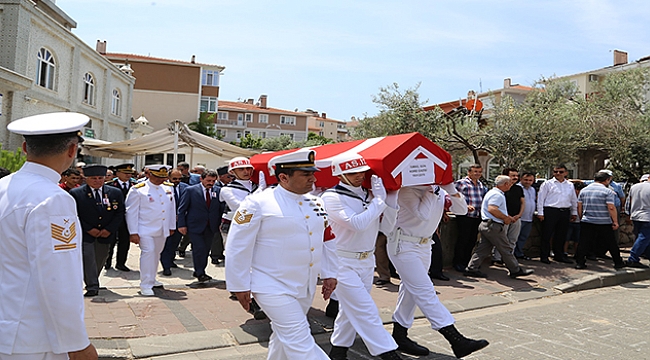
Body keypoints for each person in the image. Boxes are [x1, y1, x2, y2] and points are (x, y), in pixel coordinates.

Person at [0, 112, 97, 359]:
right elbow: (57, 278)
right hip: (33, 339)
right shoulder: (52, 198)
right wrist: (77, 343)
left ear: (24, 148)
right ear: (72, 150)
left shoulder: (4, 187)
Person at [226, 150, 337, 360]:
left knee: (283, 336)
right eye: (305, 174)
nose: (313, 178)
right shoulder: (256, 202)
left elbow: (326, 239)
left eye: (312, 173)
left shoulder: (316, 203)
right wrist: (239, 285)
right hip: (270, 284)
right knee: (299, 338)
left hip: (304, 284)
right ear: (284, 177)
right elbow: (237, 245)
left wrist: (330, 273)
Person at [387, 183, 489, 359]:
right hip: (404, 245)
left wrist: (450, 189)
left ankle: (400, 334)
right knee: (424, 290)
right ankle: (455, 339)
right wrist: (433, 191)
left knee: (410, 290)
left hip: (424, 245)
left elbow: (462, 210)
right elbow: (423, 214)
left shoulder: (438, 190)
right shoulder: (406, 190)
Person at [320, 153, 402, 360]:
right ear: (339, 174)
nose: (359, 176)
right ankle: (389, 354)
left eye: (361, 172)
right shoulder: (331, 197)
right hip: (341, 262)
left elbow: (386, 227)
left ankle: (338, 352)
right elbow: (357, 224)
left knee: (350, 311)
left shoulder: (370, 195)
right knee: (365, 310)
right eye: (352, 172)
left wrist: (391, 202)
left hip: (366, 260)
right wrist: (380, 202)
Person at [464, 175, 535, 279]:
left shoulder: (494, 193)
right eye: (510, 183)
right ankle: (515, 269)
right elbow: (492, 209)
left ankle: (471, 268)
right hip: (493, 225)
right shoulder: (497, 195)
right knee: (505, 248)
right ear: (506, 184)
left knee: (483, 249)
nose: (511, 185)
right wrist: (505, 218)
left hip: (487, 225)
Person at [70, 165, 125, 297]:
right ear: (86, 178)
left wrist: (109, 229)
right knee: (88, 258)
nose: (97, 181)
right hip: (86, 234)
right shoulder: (76, 193)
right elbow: (73, 214)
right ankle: (92, 285)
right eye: (93, 178)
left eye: (100, 178)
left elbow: (120, 213)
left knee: (100, 259)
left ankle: (93, 279)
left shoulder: (114, 192)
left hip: (106, 234)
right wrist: (89, 229)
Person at [125, 165, 176, 296]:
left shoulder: (168, 187)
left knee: (156, 254)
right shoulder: (138, 190)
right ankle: (145, 284)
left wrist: (171, 226)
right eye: (158, 177)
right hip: (144, 228)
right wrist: (133, 232)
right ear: (149, 174)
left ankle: (152, 278)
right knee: (148, 253)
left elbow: (171, 208)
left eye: (163, 177)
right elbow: (131, 212)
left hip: (162, 228)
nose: (160, 179)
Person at [177, 169, 224, 282]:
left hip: (211, 226)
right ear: (201, 179)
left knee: (206, 249)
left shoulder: (218, 191)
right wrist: (181, 225)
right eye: (208, 180)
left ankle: (200, 270)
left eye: (213, 181)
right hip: (195, 226)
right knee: (199, 249)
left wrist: (220, 223)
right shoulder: (191, 190)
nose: (211, 183)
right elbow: (182, 209)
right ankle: (200, 272)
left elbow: (221, 209)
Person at [574, 171, 626, 269]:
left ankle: (580, 262)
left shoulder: (584, 191)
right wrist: (615, 221)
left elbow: (579, 206)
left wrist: (581, 217)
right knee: (611, 243)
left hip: (587, 220)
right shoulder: (608, 191)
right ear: (607, 180)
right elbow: (611, 207)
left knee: (584, 242)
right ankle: (618, 262)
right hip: (604, 221)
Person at [536, 164, 577, 264]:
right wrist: (540, 213)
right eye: (555, 172)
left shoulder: (570, 185)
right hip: (550, 211)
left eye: (561, 172)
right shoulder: (547, 184)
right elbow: (541, 199)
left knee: (561, 235)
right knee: (546, 234)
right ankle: (544, 256)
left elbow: (573, 199)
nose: (558, 174)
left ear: (566, 173)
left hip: (564, 211)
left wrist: (574, 212)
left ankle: (559, 255)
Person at [453, 164, 488, 272]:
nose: (477, 174)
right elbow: (453, 197)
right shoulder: (461, 183)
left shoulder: (481, 185)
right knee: (463, 239)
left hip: (476, 216)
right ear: (469, 172)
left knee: (472, 240)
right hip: (465, 215)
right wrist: (465, 206)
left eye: (479, 172)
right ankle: (458, 263)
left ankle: (467, 262)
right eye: (475, 171)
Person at [105, 163, 138, 272]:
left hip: (128, 218)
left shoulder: (135, 185)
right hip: (112, 217)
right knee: (110, 240)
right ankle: (107, 261)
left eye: (130, 173)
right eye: (125, 173)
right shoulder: (110, 185)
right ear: (117, 173)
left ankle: (121, 263)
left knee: (125, 241)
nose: (128, 175)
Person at [160, 169, 189, 276]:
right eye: (174, 178)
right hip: (166, 221)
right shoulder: (163, 188)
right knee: (166, 244)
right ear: (168, 178)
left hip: (179, 221)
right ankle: (166, 266)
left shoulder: (185, 188)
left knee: (175, 243)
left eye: (179, 179)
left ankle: (171, 260)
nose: (177, 181)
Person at [493, 168, 525, 265]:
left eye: (516, 175)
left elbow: (522, 202)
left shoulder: (518, 188)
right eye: (513, 175)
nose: (515, 178)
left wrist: (519, 215)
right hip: (503, 218)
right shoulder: (501, 189)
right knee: (501, 239)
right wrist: (506, 216)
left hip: (516, 218)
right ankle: (497, 258)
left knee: (512, 239)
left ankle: (508, 259)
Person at [624, 177, 650, 268]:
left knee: (643, 238)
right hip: (647, 216)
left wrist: (629, 214)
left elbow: (629, 202)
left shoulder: (634, 187)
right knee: (644, 238)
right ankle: (633, 258)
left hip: (636, 215)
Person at [210, 165, 232, 264]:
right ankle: (214, 255)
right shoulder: (216, 187)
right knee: (217, 237)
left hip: (227, 215)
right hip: (217, 215)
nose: (231, 179)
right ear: (222, 176)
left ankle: (220, 253)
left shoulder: (231, 186)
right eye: (228, 176)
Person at [514, 172, 536, 259]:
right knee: (514, 238)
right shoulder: (517, 188)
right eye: (526, 180)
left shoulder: (532, 189)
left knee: (523, 237)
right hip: (519, 217)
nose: (528, 182)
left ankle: (518, 254)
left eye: (530, 180)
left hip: (529, 218)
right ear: (521, 179)